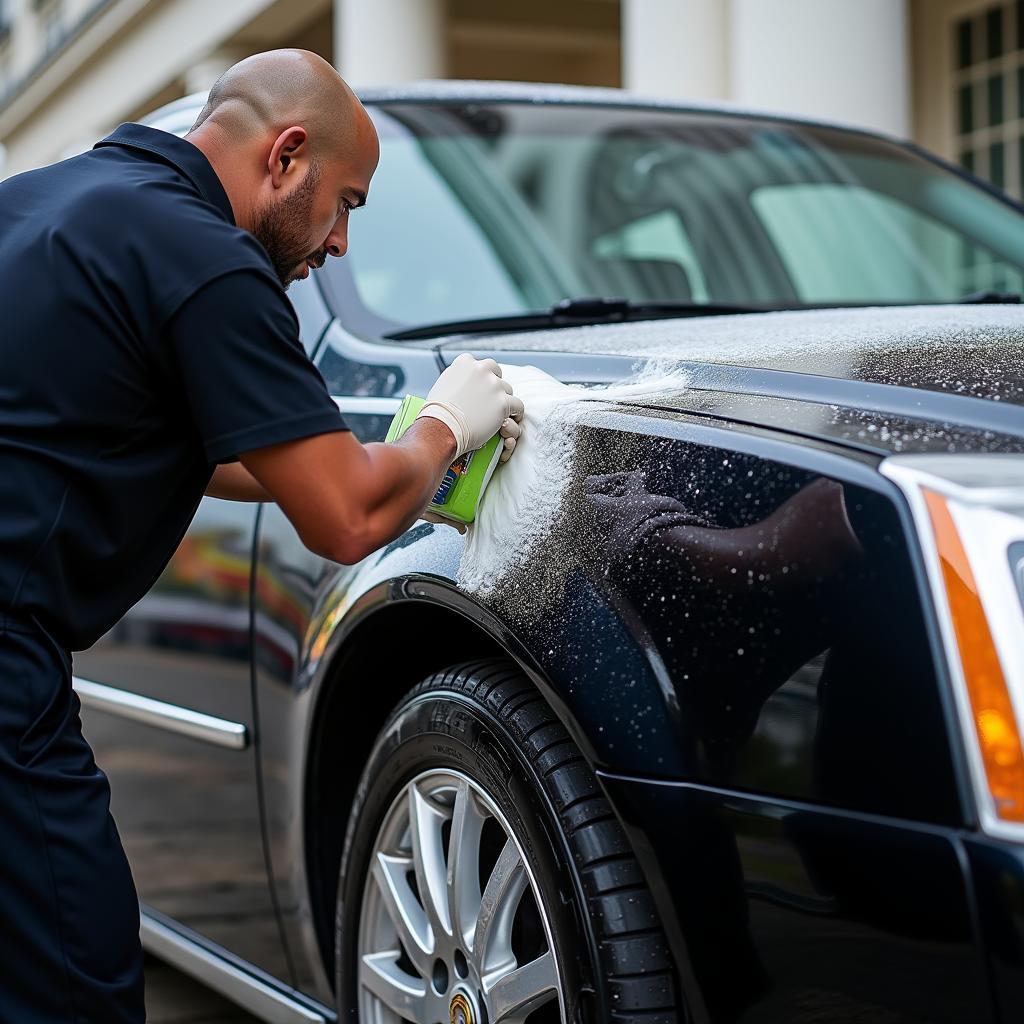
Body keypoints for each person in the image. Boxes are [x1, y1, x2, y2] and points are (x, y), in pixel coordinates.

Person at [0, 49, 522, 1023]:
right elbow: (344, 515)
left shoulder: (47, 200)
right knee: (74, 976)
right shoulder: (207, 259)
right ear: (286, 156)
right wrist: (447, 426)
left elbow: (187, 445)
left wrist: (370, 457)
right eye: (348, 204)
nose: (339, 244)